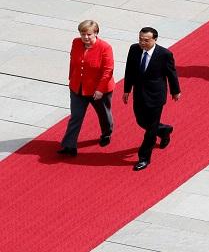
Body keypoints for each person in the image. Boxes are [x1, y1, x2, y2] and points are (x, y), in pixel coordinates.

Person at [123, 27, 181, 171]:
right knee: (141, 121)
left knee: (150, 130)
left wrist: (175, 91)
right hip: (139, 93)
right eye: (140, 39)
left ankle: (144, 157)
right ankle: (164, 130)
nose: (142, 42)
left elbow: (171, 73)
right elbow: (129, 70)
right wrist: (127, 90)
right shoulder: (134, 49)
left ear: (155, 39)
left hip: (156, 96)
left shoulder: (164, 54)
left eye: (146, 40)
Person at [58, 20, 115, 156]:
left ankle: (106, 133)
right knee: (76, 117)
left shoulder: (105, 48)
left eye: (89, 34)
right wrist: (72, 78)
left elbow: (108, 70)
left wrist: (100, 89)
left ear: (96, 33)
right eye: (83, 34)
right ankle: (69, 146)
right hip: (78, 88)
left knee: (104, 115)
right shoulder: (76, 42)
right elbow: (73, 59)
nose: (85, 37)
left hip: (99, 91)